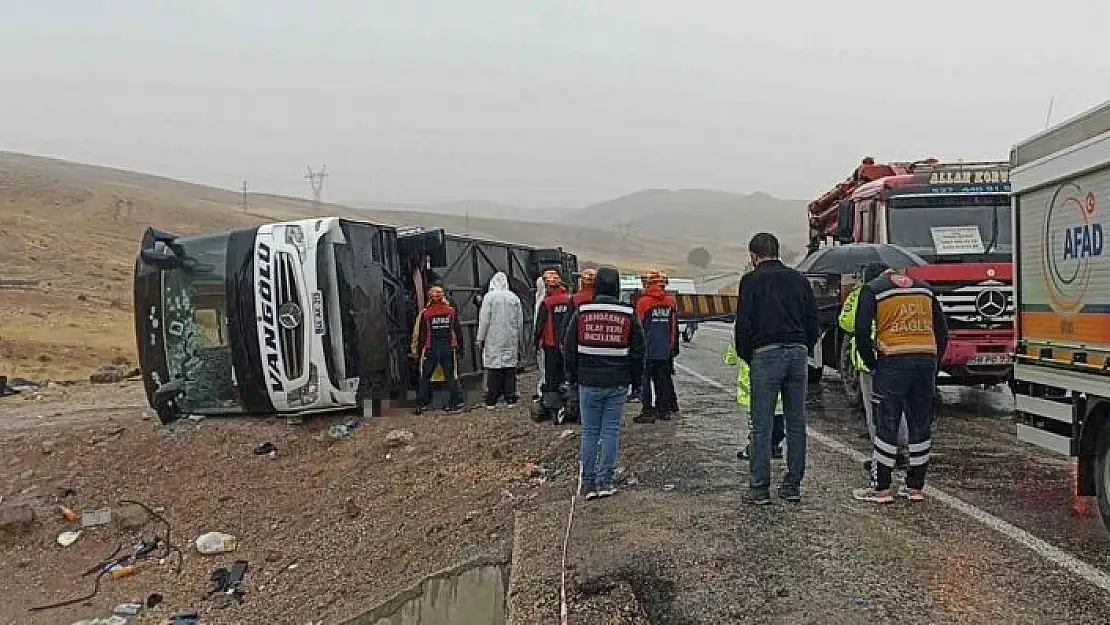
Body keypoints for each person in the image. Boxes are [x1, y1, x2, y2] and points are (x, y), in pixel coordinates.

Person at [734, 232, 819, 505]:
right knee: (796, 423)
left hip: (765, 354)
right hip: (797, 353)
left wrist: (749, 355)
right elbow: (812, 322)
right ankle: (793, 486)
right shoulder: (799, 279)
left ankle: (759, 489)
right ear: (777, 251)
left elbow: (743, 325)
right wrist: (802, 345)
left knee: (762, 423)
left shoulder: (751, 281)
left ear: (754, 256)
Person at [852, 267, 948, 503]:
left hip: (893, 360)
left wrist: (871, 363)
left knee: (887, 421)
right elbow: (942, 330)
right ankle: (915, 486)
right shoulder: (924, 289)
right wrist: (935, 361)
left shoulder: (872, 289)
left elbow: (861, 331)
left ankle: (881, 488)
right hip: (925, 358)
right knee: (920, 423)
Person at [563, 266, 645, 500]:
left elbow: (569, 349)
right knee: (610, 430)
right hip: (617, 381)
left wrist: (572, 380)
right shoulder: (627, 313)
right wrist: (637, 382)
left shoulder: (582, 312)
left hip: (588, 381)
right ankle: (605, 481)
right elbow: (639, 350)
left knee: (589, 431)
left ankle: (587, 483)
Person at [839, 263, 909, 470]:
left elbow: (847, 323)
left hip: (871, 361)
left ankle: (882, 455)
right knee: (898, 406)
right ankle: (903, 451)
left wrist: (855, 294)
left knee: (874, 411)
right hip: (895, 355)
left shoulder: (864, 293)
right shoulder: (898, 292)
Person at [634, 268, 679, 423]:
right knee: (663, 379)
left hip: (647, 349)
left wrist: (637, 349)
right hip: (664, 348)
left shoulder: (643, 302)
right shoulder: (670, 301)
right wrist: (671, 346)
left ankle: (647, 411)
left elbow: (638, 327)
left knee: (645, 380)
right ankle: (664, 410)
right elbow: (673, 326)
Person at [725, 344, 785, 460]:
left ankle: (754, 448)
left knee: (757, 416)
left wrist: (731, 359)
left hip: (753, 374)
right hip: (777, 369)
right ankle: (774, 444)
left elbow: (736, 340)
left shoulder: (746, 325)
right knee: (777, 410)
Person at [411, 286, 465, 414]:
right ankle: (456, 402)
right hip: (447, 347)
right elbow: (457, 331)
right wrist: (460, 348)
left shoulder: (426, 313)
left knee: (425, 376)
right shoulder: (450, 311)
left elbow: (421, 335)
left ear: (430, 298)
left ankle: (422, 403)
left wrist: (417, 353)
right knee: (450, 376)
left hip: (431, 348)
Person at [477, 272, 523, 410]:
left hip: (493, 337)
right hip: (511, 337)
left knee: (494, 369)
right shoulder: (514, 298)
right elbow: (519, 320)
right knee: (510, 369)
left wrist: (480, 337)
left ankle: (492, 400)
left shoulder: (489, 297)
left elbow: (484, 320)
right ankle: (510, 398)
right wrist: (519, 337)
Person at [533, 269, 572, 421]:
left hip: (551, 345)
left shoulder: (547, 303)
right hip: (567, 345)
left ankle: (553, 407)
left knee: (552, 377)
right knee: (567, 374)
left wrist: (536, 343)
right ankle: (570, 405)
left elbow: (539, 325)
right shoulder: (570, 300)